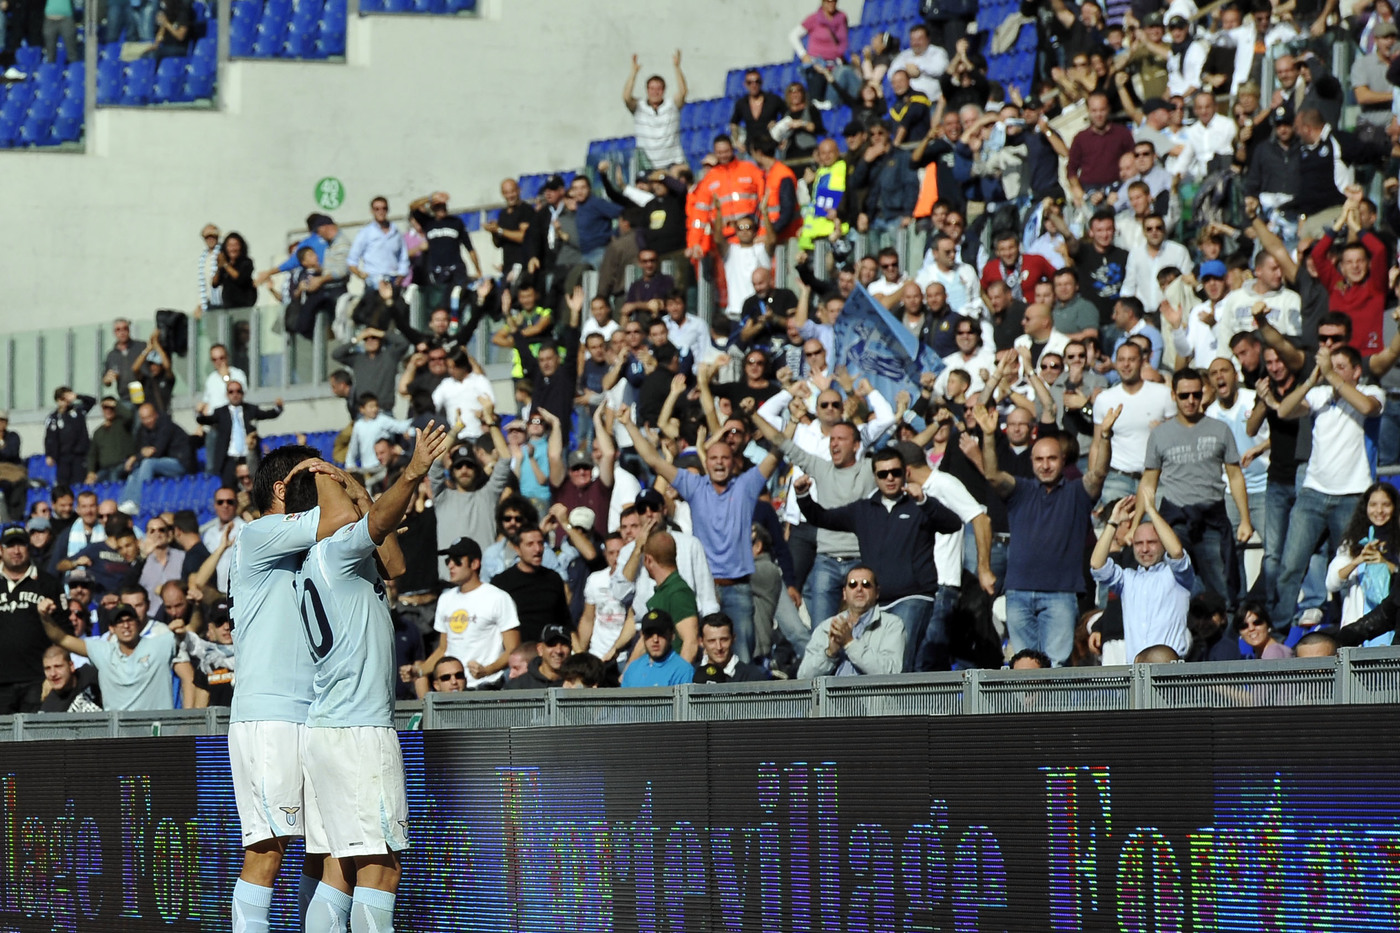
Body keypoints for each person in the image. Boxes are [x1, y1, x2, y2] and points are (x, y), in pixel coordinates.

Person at [287, 423, 447, 933]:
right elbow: (380, 521)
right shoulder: (336, 552)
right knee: (381, 871)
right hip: (358, 732)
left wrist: (356, 488)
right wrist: (414, 472)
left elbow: (394, 563)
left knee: (339, 867)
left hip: (327, 729)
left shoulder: (317, 562)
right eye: (339, 492)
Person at [224, 443, 360, 933]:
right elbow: (343, 514)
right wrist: (336, 477)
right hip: (270, 714)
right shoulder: (258, 533)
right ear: (283, 488)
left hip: (319, 711)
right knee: (268, 851)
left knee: (327, 849)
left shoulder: (302, 546)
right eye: (311, 477)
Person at [617, 406, 784, 664]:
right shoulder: (695, 486)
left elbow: (777, 453)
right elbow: (653, 461)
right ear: (706, 462)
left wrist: (771, 418)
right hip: (705, 588)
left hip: (738, 586)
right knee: (699, 658)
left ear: (734, 462)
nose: (719, 462)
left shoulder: (746, 485)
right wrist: (628, 424)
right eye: (714, 458)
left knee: (742, 659)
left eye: (725, 458)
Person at [794, 446, 963, 672]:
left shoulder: (920, 504)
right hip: (875, 603)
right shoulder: (863, 510)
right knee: (874, 663)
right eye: (883, 474)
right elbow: (822, 517)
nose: (890, 478)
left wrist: (925, 501)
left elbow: (953, 524)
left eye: (895, 472)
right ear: (875, 477)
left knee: (900, 666)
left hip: (913, 596)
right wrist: (803, 496)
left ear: (906, 473)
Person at [976, 402, 1118, 666]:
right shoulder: (1020, 490)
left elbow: (1098, 473)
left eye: (1051, 458)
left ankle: (1054, 710)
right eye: (1039, 459)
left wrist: (1105, 436)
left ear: (1063, 460)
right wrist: (987, 436)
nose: (1045, 465)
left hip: (1060, 593)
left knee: (1056, 664)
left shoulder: (1077, 493)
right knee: (1024, 665)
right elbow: (993, 475)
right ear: (1031, 461)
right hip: (1018, 591)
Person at [1275, 346, 1385, 629]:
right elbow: (1284, 411)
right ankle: (1278, 630)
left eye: (1340, 366)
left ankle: (1350, 627)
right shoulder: (1319, 395)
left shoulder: (1372, 391)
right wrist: (1312, 380)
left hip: (1353, 495)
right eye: (1330, 366)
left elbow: (1367, 408)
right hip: (1313, 492)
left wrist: (1330, 376)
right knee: (1290, 567)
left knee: (1349, 568)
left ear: (1356, 371)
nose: (1332, 372)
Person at [1136, 368, 1252, 605]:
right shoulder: (1160, 434)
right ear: (1173, 396)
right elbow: (1149, 481)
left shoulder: (1220, 429)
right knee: (1172, 588)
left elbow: (1235, 475)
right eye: (1184, 395)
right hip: (1175, 519)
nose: (1191, 401)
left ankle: (1224, 639)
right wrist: (1136, 524)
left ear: (1203, 394)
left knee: (1222, 589)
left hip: (1211, 518)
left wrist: (1245, 519)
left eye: (1196, 395)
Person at [1090, 494, 1194, 662]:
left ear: (1162, 542)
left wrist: (1151, 511)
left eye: (1151, 542)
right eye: (1139, 543)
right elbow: (1097, 564)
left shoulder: (1177, 577)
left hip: (1171, 671)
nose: (1144, 549)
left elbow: (1176, 552)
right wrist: (1113, 522)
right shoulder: (1127, 579)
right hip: (1137, 672)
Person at [37, 601, 177, 710]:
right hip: (121, 734)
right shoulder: (102, 651)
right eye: (120, 622)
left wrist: (195, 609)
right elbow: (61, 639)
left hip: (158, 732)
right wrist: (45, 617)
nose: (125, 626)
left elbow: (193, 628)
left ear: (138, 623)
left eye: (129, 620)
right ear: (111, 628)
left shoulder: (160, 644)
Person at [421, 537, 520, 690]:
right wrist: (418, 671)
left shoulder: (498, 598)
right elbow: (442, 649)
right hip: (454, 689)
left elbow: (513, 649)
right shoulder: (445, 599)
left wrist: (487, 671)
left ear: (475, 564)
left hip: (487, 686)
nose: (451, 565)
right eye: (448, 561)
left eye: (457, 560)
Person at [0, 522, 64, 714]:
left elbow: (64, 632)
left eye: (21, 544)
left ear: (29, 547)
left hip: (37, 679)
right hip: (1, 683)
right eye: (10, 545)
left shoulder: (48, 583)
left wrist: (52, 675)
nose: (16, 551)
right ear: (1, 550)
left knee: (33, 741)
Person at [796, 565, 905, 678]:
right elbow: (803, 677)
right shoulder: (828, 627)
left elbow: (892, 673)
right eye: (853, 584)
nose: (859, 589)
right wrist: (830, 654)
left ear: (877, 592)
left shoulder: (892, 625)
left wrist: (850, 643)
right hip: (832, 695)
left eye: (866, 584)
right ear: (844, 593)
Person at [1325, 483, 1399, 642]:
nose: (1379, 511)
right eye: (1373, 505)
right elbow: (1332, 583)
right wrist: (1359, 560)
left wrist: (1386, 565)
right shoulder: (1351, 543)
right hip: (1359, 630)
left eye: (1385, 504)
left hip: (1391, 629)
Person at [196, 381, 283, 486]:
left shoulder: (250, 409)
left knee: (253, 488)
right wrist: (199, 413)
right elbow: (205, 420)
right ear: (227, 394)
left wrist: (278, 408)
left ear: (243, 393)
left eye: (238, 391)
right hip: (229, 459)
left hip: (248, 457)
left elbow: (268, 414)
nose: (235, 394)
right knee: (229, 488)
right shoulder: (220, 412)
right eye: (231, 392)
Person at [623, 51, 688, 169]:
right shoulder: (639, 107)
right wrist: (634, 73)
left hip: (672, 162)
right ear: (647, 90)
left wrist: (677, 68)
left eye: (658, 89)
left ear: (663, 90)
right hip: (647, 165)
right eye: (652, 88)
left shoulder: (671, 106)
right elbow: (626, 97)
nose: (655, 92)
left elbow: (683, 93)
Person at [620, 609, 694, 687]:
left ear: (672, 635)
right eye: (649, 634)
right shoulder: (633, 668)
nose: (655, 640)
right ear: (642, 636)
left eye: (661, 633)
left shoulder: (683, 670)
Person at [694, 612, 770, 683]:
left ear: (733, 638)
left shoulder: (753, 678)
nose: (719, 647)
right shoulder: (691, 673)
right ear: (701, 642)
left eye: (724, 640)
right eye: (712, 641)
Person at [44, 387, 94, 487]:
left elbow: (92, 401)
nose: (65, 402)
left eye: (67, 398)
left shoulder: (78, 411)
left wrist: (77, 396)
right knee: (63, 486)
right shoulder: (53, 418)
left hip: (79, 456)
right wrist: (49, 454)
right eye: (62, 399)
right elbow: (49, 437)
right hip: (62, 458)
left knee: (79, 484)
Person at [503, 623, 573, 689]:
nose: (558, 651)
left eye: (564, 644)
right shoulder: (518, 686)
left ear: (571, 649)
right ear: (540, 649)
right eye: (551, 644)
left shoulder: (576, 684)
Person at [38, 644, 101, 713]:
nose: (53, 674)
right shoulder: (48, 709)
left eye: (58, 666)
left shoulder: (91, 674)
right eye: (48, 668)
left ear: (71, 666)